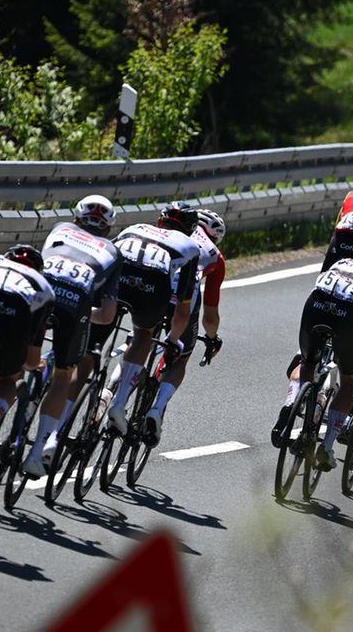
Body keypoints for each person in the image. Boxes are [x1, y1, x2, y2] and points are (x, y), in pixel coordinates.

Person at [21, 196, 122, 476]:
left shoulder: (59, 229)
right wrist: (81, 314)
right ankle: (37, 451)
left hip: (37, 294)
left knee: (18, 358)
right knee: (64, 374)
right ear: (109, 228)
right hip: (75, 305)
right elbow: (106, 316)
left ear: (76, 217)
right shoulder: (113, 252)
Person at [272, 244, 353, 470]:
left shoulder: (341, 263)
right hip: (347, 317)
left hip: (315, 306)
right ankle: (326, 447)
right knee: (349, 380)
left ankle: (294, 403)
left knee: (308, 361)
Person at [104, 203, 202, 445]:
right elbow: (183, 306)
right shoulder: (191, 247)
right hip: (154, 285)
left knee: (99, 322)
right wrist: (172, 340)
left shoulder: (134, 227)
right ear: (190, 231)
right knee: (144, 335)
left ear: (160, 221)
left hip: (118, 275)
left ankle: (100, 381)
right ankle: (119, 404)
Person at [139, 208, 227, 445]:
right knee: (181, 358)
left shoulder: (169, 231)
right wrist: (212, 337)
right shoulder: (215, 256)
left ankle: (110, 391)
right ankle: (157, 409)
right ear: (215, 236)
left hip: (154, 286)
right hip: (184, 297)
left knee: (139, 339)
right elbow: (210, 313)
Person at [0, 244, 54, 480]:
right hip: (16, 312)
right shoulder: (43, 286)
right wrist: (29, 366)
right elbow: (32, 358)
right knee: (9, 379)